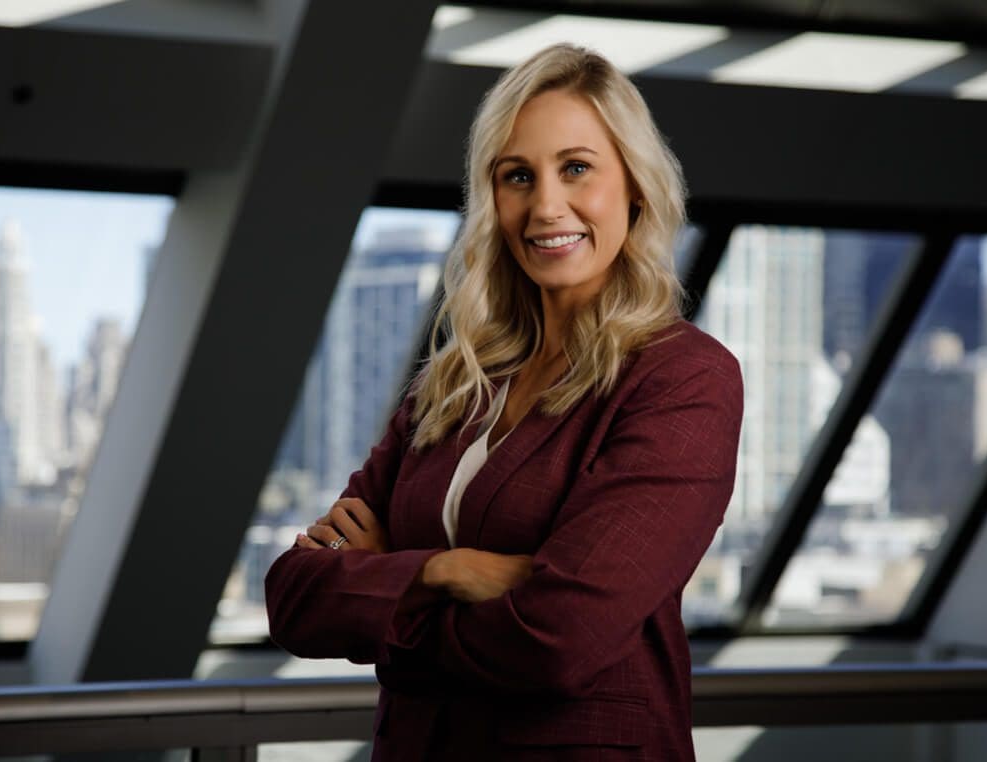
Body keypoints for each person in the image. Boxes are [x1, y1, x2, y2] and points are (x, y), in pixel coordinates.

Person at [265, 43, 743, 761]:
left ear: (635, 187)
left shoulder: (682, 380)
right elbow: (295, 598)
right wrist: (444, 571)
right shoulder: (455, 384)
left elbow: (559, 640)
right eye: (517, 176)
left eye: (576, 168)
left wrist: (383, 593)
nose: (546, 206)